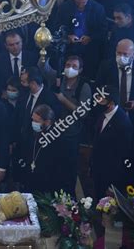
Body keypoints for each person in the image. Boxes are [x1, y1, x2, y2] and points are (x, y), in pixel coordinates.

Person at [96, 39, 134, 188]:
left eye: (125, 54)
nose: (121, 56)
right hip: (112, 122)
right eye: (119, 53)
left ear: (133, 54)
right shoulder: (106, 66)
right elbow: (97, 90)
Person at [39, 55, 92, 194]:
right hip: (53, 133)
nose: (70, 69)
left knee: (68, 171)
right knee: (52, 169)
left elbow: (83, 113)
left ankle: (68, 203)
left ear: (80, 70)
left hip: (71, 135)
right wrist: (44, 53)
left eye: (74, 66)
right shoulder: (58, 79)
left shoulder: (83, 86)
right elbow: (43, 68)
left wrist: (64, 100)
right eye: (68, 65)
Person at [55, 0, 108, 79]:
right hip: (70, 48)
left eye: (83, 2)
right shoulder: (65, 8)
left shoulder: (98, 9)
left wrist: (90, 37)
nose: (80, 5)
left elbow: (103, 31)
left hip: (89, 50)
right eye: (77, 2)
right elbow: (57, 27)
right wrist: (67, 36)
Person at [91, 85, 133, 200]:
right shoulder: (101, 115)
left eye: (101, 100)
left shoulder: (123, 123)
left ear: (110, 103)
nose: (98, 102)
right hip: (98, 170)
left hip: (111, 176)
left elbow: (122, 154)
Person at [19, 105, 68, 194]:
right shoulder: (33, 132)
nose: (33, 123)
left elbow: (58, 167)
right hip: (32, 181)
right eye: (33, 120)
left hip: (49, 184)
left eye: (37, 121)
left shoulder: (58, 138)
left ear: (48, 122)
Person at [0, 31, 38, 98]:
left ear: (22, 42)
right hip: (7, 96)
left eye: (17, 43)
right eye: (11, 45)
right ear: (6, 46)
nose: (15, 47)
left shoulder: (31, 58)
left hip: (27, 94)